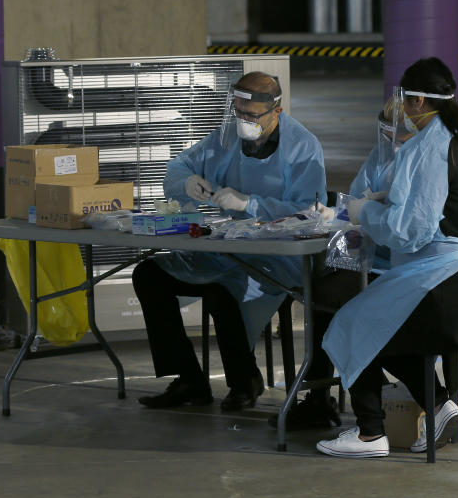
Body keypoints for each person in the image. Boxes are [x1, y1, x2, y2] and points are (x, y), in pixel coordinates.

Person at [310, 57, 458, 458]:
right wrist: (387, 199)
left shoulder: (428, 147)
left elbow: (411, 230)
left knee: (350, 323)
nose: (402, 111)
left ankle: (370, 434)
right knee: (380, 324)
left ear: (419, 102)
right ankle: (439, 405)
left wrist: (363, 212)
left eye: (405, 102)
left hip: (452, 287)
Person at [132, 71, 327, 412]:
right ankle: (188, 377)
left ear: (276, 111)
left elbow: (310, 211)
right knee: (149, 274)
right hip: (229, 245)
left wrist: (250, 204)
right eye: (238, 113)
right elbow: (181, 164)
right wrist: (187, 181)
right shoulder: (226, 135)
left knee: (225, 291)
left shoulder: (303, 147)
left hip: (278, 256)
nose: (243, 122)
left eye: (251, 116)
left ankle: (244, 379)